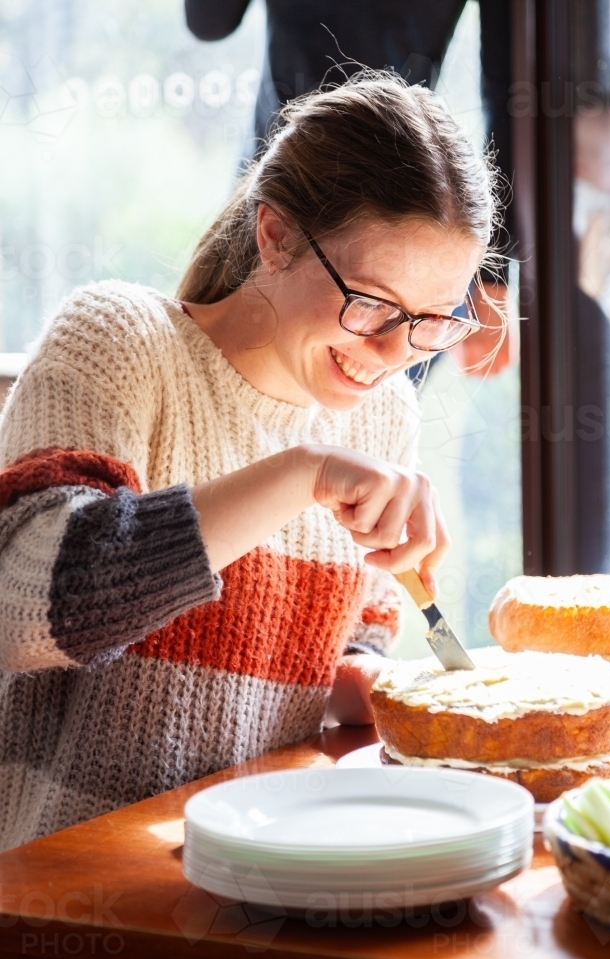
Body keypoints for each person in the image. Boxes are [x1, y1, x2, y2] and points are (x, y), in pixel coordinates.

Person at [0, 73, 499, 850]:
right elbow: (28, 611)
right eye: (369, 302)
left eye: (431, 321)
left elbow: (347, 641)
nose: (395, 353)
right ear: (274, 236)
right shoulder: (119, 342)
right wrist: (300, 474)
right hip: (68, 899)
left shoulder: (380, 416)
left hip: (256, 874)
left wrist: (366, 682)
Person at [186, 0, 512, 375]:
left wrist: (492, 281)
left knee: (367, 397)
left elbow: (508, 97)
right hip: (289, 198)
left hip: (403, 227)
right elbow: (209, 23)